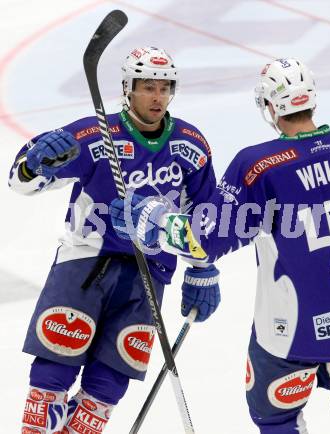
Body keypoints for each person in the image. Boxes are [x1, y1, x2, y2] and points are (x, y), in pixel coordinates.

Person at [110, 58, 330, 434]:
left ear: (272, 108)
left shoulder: (259, 165)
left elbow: (202, 242)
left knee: (277, 419)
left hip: (289, 334)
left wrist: (153, 217)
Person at [9, 46, 221, 433]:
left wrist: (203, 268)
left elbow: (207, 216)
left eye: (165, 88)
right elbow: (20, 184)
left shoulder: (190, 145)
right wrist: (31, 164)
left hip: (149, 276)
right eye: (148, 87)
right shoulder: (94, 134)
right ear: (128, 88)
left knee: (106, 390)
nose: (158, 97)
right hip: (85, 263)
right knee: (52, 374)